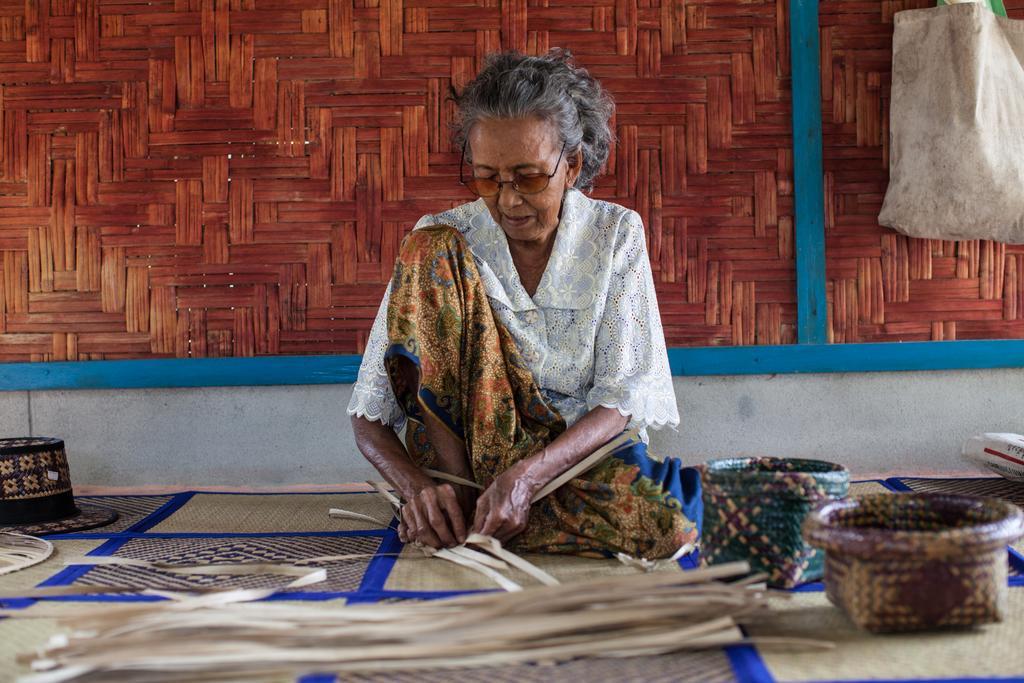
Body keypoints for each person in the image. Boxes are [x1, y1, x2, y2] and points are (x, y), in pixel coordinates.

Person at [347, 49, 701, 559]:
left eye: (529, 177)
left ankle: (471, 521)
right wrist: (418, 489)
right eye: (488, 178)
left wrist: (525, 477)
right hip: (461, 468)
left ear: (572, 165)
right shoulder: (444, 242)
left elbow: (621, 401)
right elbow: (368, 416)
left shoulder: (615, 235)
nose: (508, 200)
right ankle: (459, 506)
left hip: (568, 466)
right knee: (429, 245)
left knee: (672, 525)